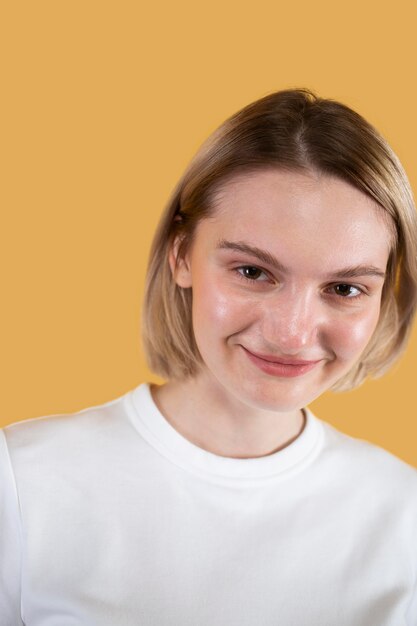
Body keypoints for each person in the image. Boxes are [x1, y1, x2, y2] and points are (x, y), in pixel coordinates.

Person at [1, 89, 416, 625]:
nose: (291, 333)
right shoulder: (21, 482)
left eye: (344, 288)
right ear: (181, 256)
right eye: (252, 272)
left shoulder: (405, 515)